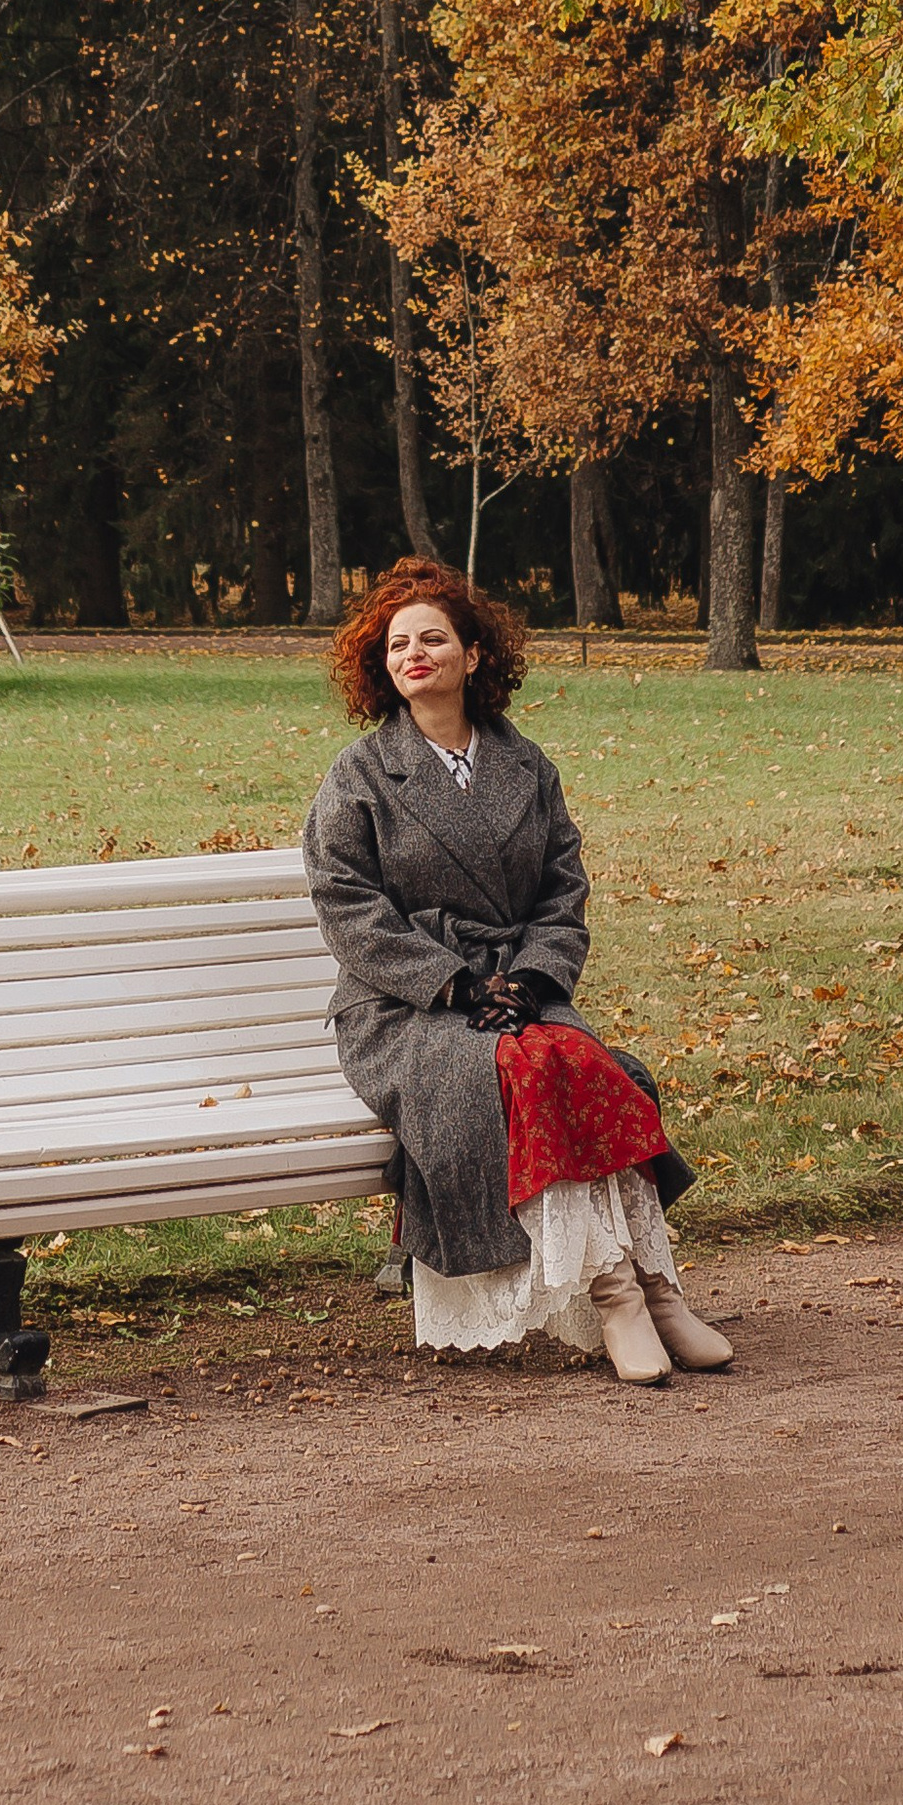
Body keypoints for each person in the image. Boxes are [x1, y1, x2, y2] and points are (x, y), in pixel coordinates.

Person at [302, 554, 732, 1384]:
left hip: (516, 990)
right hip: (404, 1010)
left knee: (581, 1060)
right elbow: (347, 905)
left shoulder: (525, 766)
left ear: (473, 656)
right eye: (397, 645)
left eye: (434, 638)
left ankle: (660, 1288)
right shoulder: (359, 777)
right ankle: (618, 1299)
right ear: (379, 665)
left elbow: (563, 892)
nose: (413, 655)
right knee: (529, 1070)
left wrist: (532, 980)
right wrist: (455, 985)